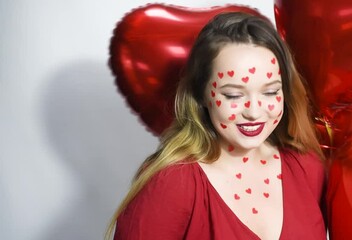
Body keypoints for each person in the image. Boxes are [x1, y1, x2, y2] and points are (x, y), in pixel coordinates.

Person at [107, 12, 327, 240]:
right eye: (233, 95)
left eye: (270, 92)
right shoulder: (172, 183)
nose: (253, 112)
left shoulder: (307, 167)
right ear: (202, 94)